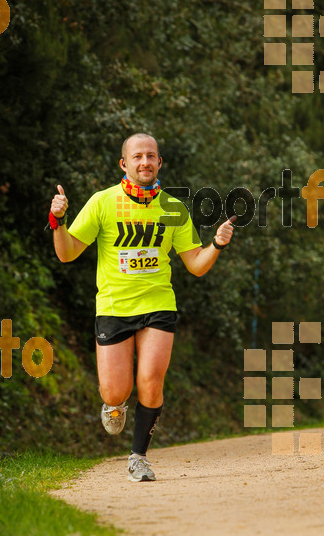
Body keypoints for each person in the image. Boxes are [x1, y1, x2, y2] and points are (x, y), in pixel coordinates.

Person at [49, 133, 234, 481]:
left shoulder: (173, 209)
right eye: (137, 157)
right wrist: (57, 221)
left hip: (158, 304)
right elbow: (66, 253)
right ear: (124, 163)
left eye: (151, 156)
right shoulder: (103, 203)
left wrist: (217, 244)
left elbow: (195, 264)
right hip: (114, 308)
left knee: (150, 381)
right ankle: (114, 403)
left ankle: (138, 457)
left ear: (160, 163)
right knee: (115, 390)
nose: (145, 162)